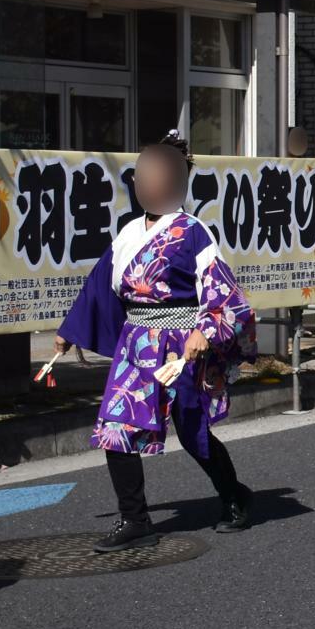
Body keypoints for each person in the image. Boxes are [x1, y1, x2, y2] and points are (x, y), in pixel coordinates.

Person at [55, 133, 258, 550]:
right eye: (142, 177)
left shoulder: (192, 232)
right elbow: (100, 286)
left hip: (181, 343)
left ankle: (234, 496)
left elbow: (223, 292)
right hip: (137, 343)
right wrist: (68, 330)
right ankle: (135, 519)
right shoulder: (129, 232)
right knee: (117, 426)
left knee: (191, 430)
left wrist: (206, 330)